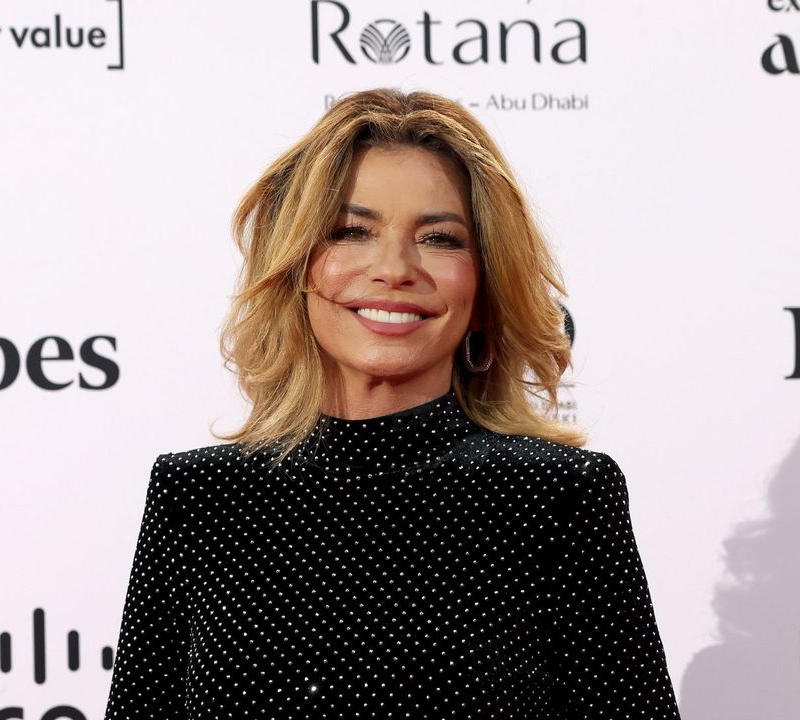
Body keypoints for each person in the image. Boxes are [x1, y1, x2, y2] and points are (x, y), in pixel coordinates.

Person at [102, 88, 681, 719]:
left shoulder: (554, 498)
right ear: (296, 265)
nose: (396, 268)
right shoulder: (199, 497)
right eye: (353, 231)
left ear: (485, 284)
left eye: (439, 238)